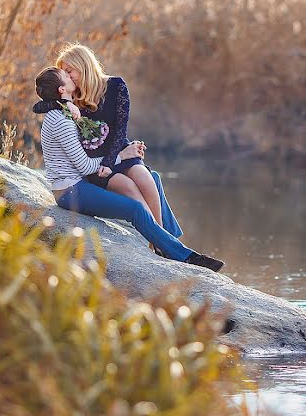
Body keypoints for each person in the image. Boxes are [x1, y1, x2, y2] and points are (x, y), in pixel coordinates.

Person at [34, 66, 224, 272]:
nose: (69, 76)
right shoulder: (61, 120)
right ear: (62, 89)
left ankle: (169, 242)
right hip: (71, 191)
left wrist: (66, 105)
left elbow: (43, 106)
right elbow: (84, 165)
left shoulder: (61, 110)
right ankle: (182, 255)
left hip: (79, 184)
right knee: (135, 209)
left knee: (153, 178)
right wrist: (122, 156)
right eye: (65, 76)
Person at [33, 43, 166, 228]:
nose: (67, 76)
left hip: (115, 153)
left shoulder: (115, 86)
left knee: (147, 179)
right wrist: (63, 104)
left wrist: (112, 160)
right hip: (96, 164)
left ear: (83, 65)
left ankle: (161, 238)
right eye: (64, 72)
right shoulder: (73, 95)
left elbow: (121, 130)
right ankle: (160, 240)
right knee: (129, 187)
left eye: (69, 70)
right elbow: (39, 106)